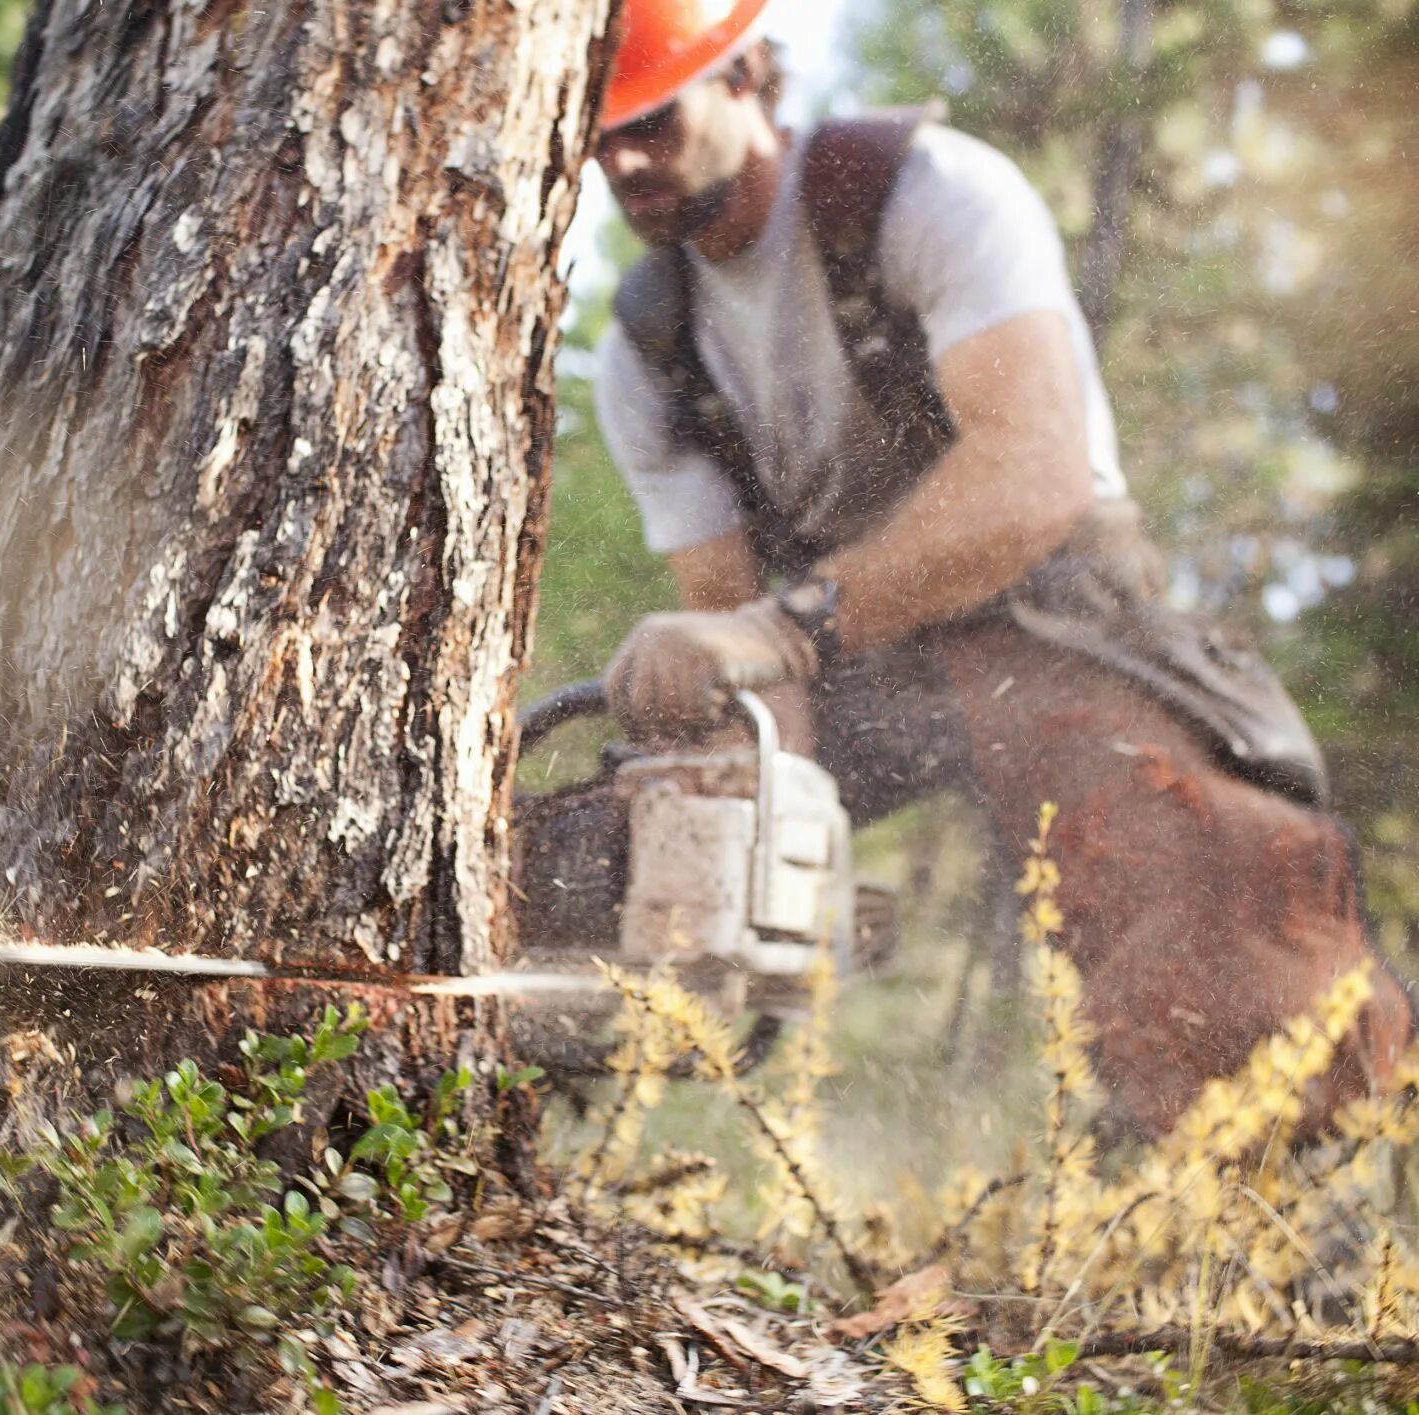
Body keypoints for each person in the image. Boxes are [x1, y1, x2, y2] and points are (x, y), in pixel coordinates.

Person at [588, 0, 1411, 1135]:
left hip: (1054, 612)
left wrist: (783, 631)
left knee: (1192, 869)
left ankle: (1276, 1172)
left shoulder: (929, 193)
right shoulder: (644, 352)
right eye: (597, 135)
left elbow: (1034, 474)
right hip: (852, 652)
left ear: (747, 78)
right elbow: (733, 632)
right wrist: (748, 817)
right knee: (628, 829)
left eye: (650, 122)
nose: (624, 159)